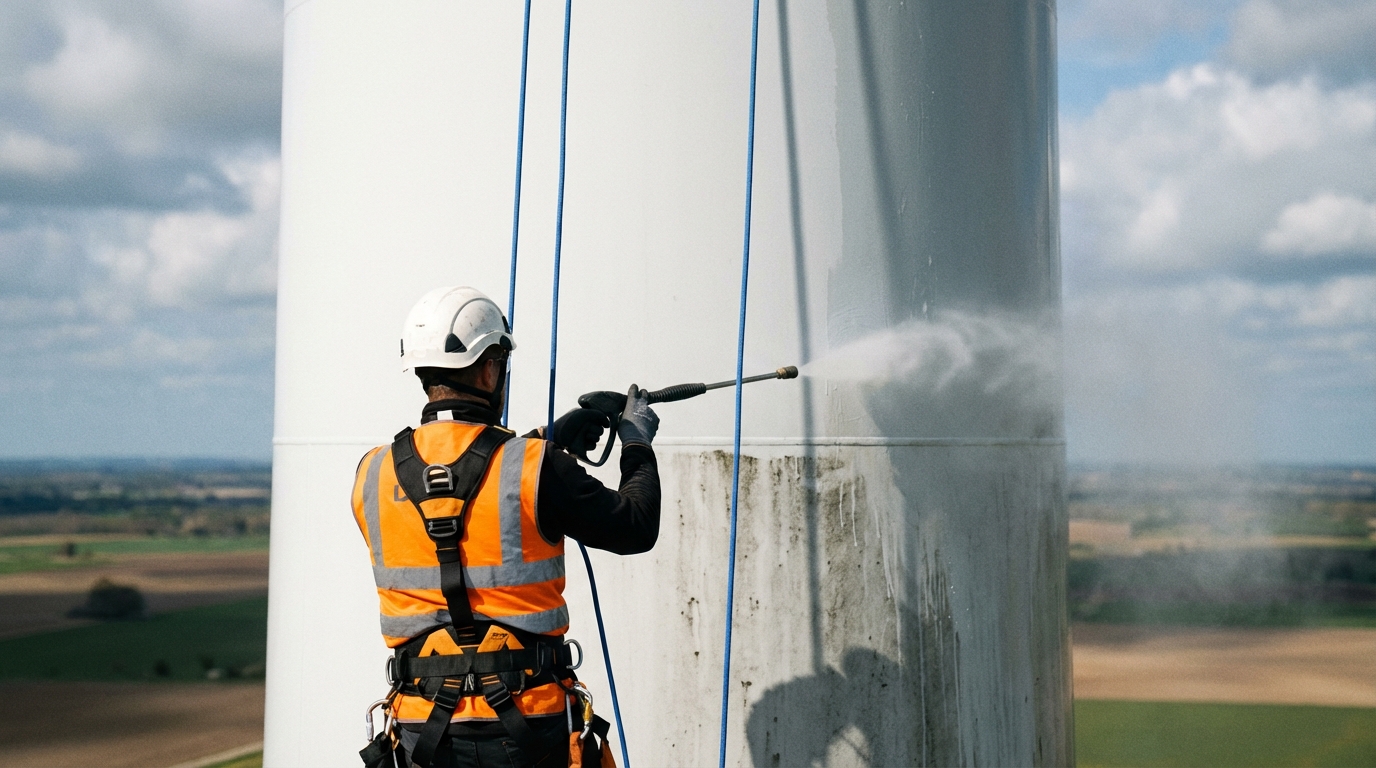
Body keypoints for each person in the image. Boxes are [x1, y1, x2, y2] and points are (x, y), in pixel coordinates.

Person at [353, 286, 660, 768]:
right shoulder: (539, 469)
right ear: (491, 367)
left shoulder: (371, 472)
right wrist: (636, 445)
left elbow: (453, 486)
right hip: (526, 721)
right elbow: (635, 527)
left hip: (422, 726)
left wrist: (549, 436)